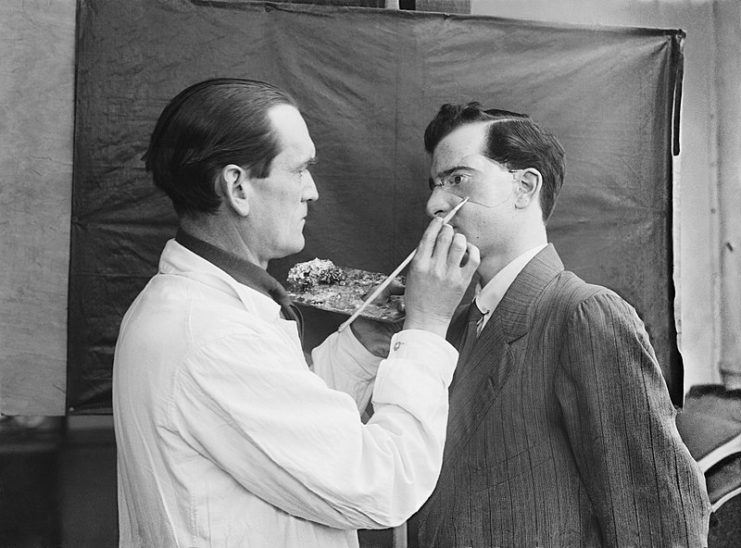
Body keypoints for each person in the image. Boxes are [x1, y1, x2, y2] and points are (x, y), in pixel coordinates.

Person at [112, 78, 480, 548]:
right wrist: (426, 329)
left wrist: (361, 345)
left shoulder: (198, 311)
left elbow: (279, 425)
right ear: (237, 187)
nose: (312, 192)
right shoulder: (213, 338)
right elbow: (380, 483)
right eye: (300, 170)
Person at [407, 103, 711, 547]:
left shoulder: (584, 315)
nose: (436, 203)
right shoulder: (451, 329)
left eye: (458, 179)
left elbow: (660, 522)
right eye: (436, 184)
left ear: (525, 187)